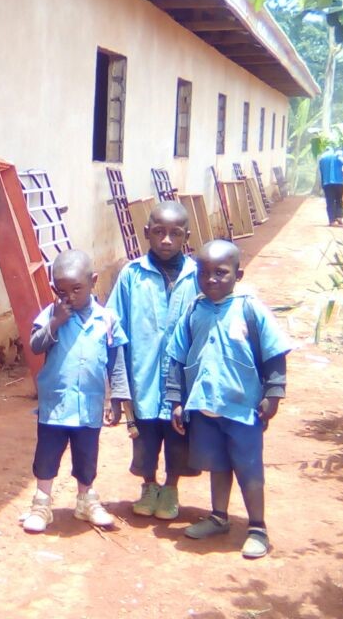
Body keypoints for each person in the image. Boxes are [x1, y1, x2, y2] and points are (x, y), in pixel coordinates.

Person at [163, 240, 293, 559]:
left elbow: (275, 354)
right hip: (206, 409)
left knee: (249, 468)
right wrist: (177, 400)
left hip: (242, 410)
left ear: (238, 273)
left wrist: (273, 394)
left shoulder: (249, 308)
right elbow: (176, 358)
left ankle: (257, 528)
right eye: (204, 273)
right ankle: (218, 517)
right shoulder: (194, 310)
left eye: (220, 273)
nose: (211, 280)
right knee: (218, 466)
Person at [21, 249, 129, 533]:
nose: (69, 296)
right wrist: (56, 321)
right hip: (55, 405)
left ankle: (86, 500)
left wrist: (116, 399)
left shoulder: (106, 320)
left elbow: (116, 363)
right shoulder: (51, 314)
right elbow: (35, 345)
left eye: (77, 289)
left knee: (86, 456)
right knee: (47, 456)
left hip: (90, 406)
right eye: (61, 290)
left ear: (93, 281)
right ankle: (41, 503)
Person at [105, 201, 201, 521]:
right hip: (142, 377)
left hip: (182, 381)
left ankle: (171, 487)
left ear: (187, 236)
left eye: (175, 234)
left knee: (179, 435)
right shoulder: (132, 275)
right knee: (145, 437)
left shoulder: (199, 276)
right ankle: (149, 485)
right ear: (146, 233)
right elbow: (114, 331)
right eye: (159, 232)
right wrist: (118, 388)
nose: (166, 240)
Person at [318, 146, 343, 226]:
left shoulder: (322, 158)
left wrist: (322, 184)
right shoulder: (338, 155)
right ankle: (339, 217)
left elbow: (321, 172)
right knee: (339, 200)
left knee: (330, 201)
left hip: (327, 183)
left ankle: (332, 220)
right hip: (338, 182)